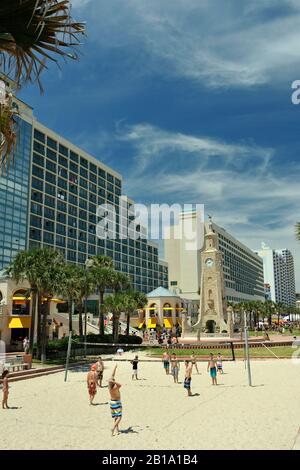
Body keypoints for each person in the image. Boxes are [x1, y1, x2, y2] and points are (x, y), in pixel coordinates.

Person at [108, 364, 122, 437]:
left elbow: (112, 375)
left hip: (111, 403)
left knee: (116, 417)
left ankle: (117, 429)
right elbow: (120, 385)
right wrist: (114, 382)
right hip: (116, 403)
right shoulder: (115, 387)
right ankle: (113, 428)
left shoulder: (109, 386)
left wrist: (115, 367)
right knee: (119, 417)